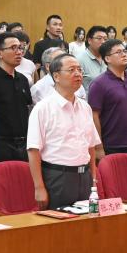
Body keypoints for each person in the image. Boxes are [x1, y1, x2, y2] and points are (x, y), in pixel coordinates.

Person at [27, 55, 101, 209]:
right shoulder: (43, 108)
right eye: (71, 70)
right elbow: (33, 150)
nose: (78, 74)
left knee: (86, 222)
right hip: (58, 177)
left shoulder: (85, 107)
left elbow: (91, 146)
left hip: (84, 176)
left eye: (79, 69)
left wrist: (93, 179)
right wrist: (39, 187)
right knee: (60, 223)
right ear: (56, 76)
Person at [0, 32, 33, 167]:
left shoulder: (23, 80)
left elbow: (27, 110)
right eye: (13, 48)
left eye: (20, 48)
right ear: (0, 53)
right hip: (0, 144)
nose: (19, 52)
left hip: (23, 144)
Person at [89, 39, 127, 158]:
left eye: (125, 51)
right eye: (119, 52)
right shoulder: (99, 84)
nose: (124, 54)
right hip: (110, 145)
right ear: (107, 58)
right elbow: (94, 116)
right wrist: (98, 147)